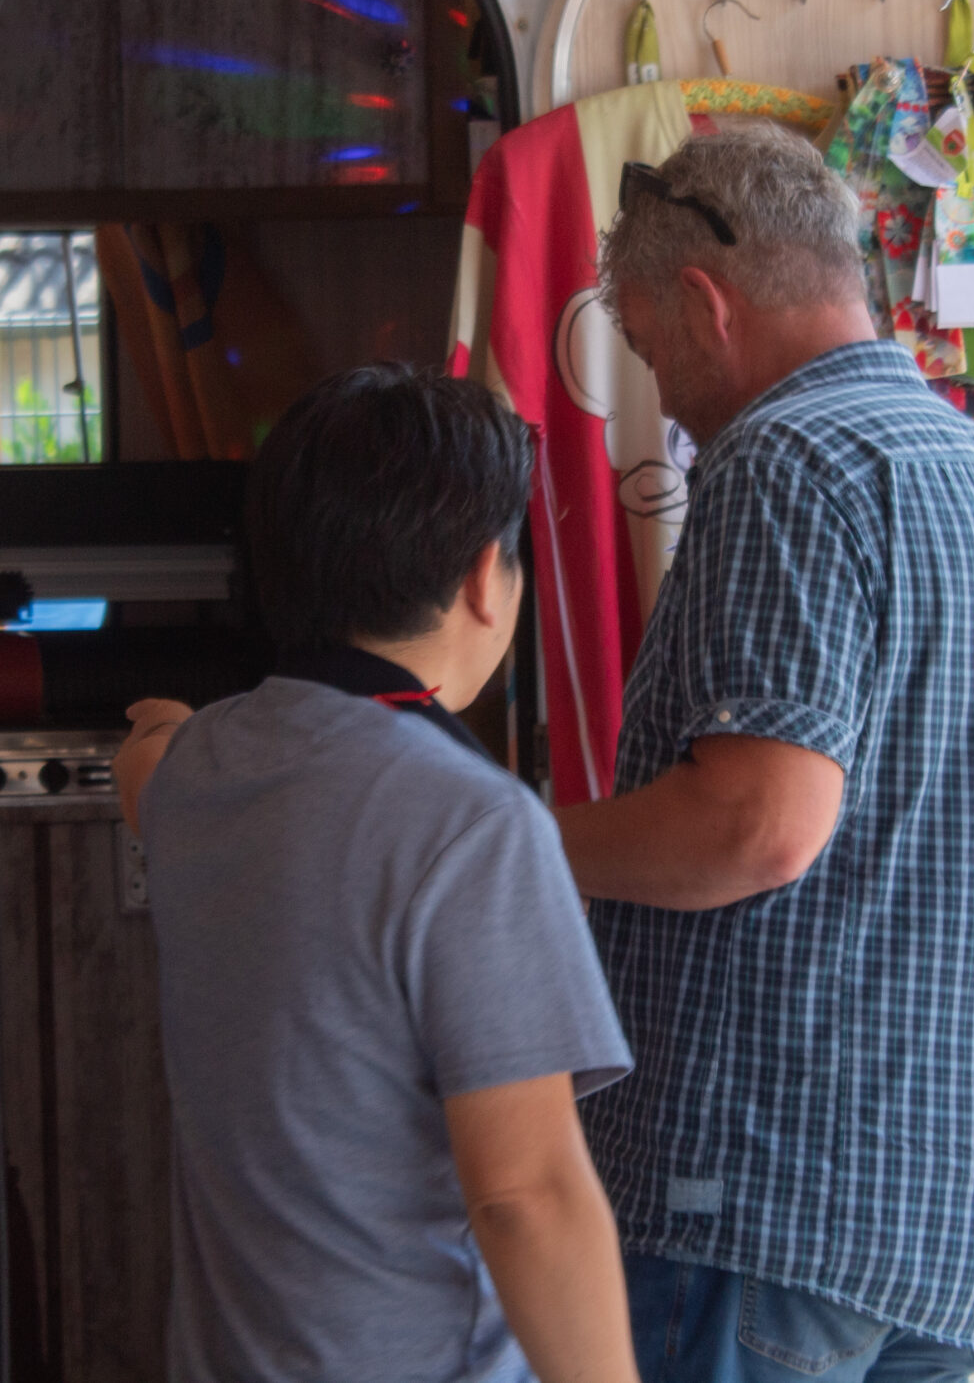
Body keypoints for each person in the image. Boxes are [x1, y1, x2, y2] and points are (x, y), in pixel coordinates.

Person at [555, 129, 974, 1380]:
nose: (665, 400)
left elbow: (755, 823)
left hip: (775, 1205)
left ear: (708, 303)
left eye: (651, 349)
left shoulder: (784, 458)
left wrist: (509, 833)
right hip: (971, 1216)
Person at [116, 364, 639, 1383]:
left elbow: (146, 753)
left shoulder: (201, 771)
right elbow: (525, 1193)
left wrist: (152, 718)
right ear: (484, 576)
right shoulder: (474, 824)